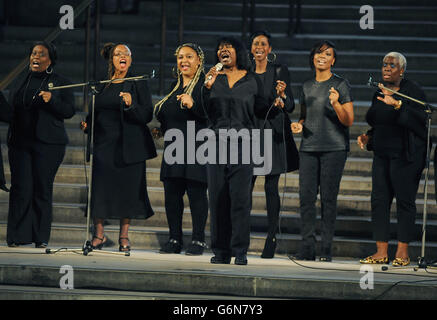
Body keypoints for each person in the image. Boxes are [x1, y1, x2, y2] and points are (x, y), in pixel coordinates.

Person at [203, 37, 283, 265]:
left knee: (240, 199)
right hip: (216, 144)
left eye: (227, 48)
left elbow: (261, 109)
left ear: (237, 52)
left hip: (243, 145)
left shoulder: (251, 80)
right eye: (219, 48)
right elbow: (201, 109)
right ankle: (220, 251)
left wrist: (276, 103)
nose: (223, 51)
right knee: (218, 199)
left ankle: (240, 250)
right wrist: (206, 87)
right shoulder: (211, 79)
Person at [80, 42, 156, 252]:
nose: (122, 56)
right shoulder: (102, 84)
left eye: (126, 54)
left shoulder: (137, 82)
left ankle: (124, 236)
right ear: (111, 59)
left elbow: (146, 115)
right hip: (104, 145)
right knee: (100, 191)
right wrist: (88, 125)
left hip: (129, 146)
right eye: (117, 54)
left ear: (130, 59)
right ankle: (99, 235)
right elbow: (95, 111)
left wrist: (131, 104)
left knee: (127, 191)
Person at [0, 41, 75, 248]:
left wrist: (52, 100)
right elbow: (12, 111)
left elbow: (69, 110)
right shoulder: (21, 80)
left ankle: (40, 236)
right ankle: (16, 236)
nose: (35, 57)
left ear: (50, 60)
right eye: (33, 53)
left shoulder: (60, 82)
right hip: (20, 142)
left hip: (49, 144)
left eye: (41, 54)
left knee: (42, 188)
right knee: (20, 188)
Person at [358, 52, 427, 267]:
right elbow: (378, 121)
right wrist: (368, 135)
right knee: (379, 201)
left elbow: (420, 122)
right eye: (384, 64)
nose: (387, 68)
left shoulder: (413, 92)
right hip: (382, 154)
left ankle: (403, 253)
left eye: (392, 65)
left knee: (405, 202)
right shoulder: (380, 91)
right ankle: (381, 252)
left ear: (402, 70)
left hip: (406, 156)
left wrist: (397, 105)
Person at [290, 40, 354, 262]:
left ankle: (326, 249)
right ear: (313, 57)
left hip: (334, 148)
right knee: (306, 198)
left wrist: (336, 103)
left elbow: (349, 120)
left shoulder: (341, 84)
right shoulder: (306, 85)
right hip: (308, 147)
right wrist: (298, 124)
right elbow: (304, 115)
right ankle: (307, 248)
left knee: (328, 199)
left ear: (333, 60)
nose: (322, 57)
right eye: (319, 53)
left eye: (327, 54)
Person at [154, 43, 209, 255]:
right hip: (174, 147)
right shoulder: (173, 86)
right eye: (180, 57)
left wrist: (192, 104)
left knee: (196, 194)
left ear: (199, 61)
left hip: (197, 146)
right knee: (172, 195)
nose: (183, 61)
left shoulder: (206, 85)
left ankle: (198, 240)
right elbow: (169, 114)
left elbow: (210, 114)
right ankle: (174, 238)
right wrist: (161, 129)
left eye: (189, 57)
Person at [249, 30, 299, 258]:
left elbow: (290, 106)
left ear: (269, 50)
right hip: (250, 133)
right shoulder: (245, 73)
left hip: (272, 132)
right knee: (244, 187)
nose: (259, 47)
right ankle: (240, 235)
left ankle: (271, 237)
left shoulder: (279, 70)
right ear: (251, 49)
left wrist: (283, 97)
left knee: (271, 187)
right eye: (255, 43)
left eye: (263, 44)